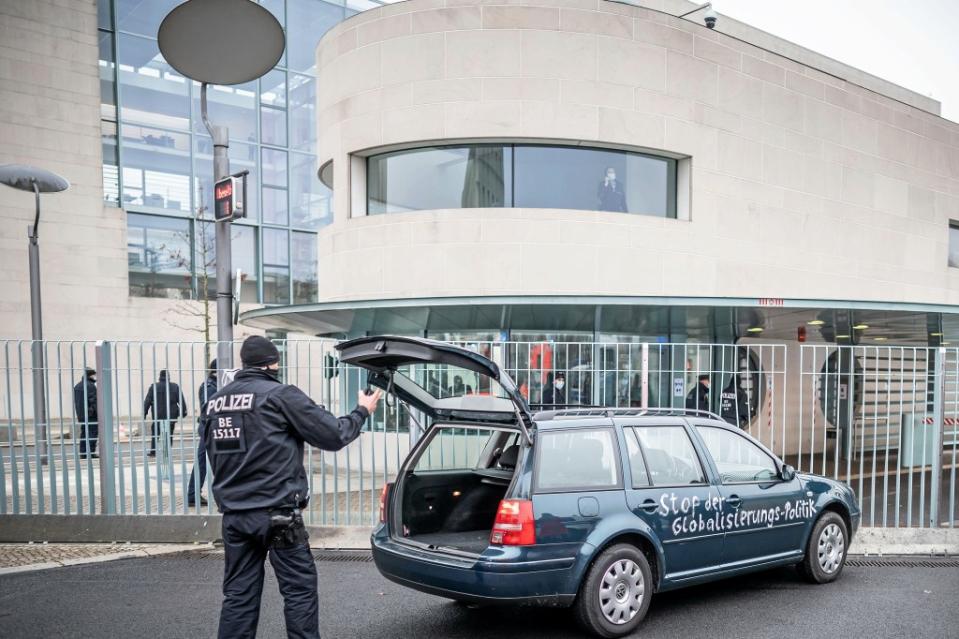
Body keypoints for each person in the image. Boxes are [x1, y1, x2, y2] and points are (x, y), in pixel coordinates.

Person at [204, 335, 382, 639]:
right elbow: (334, 435)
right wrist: (362, 411)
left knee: (238, 597)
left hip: (234, 516)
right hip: (278, 515)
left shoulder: (215, 402)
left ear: (244, 364)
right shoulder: (280, 395)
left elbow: (211, 452)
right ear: (273, 363)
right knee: (299, 591)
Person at [187, 359, 217, 507]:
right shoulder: (209, 386)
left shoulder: (213, 385)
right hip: (209, 428)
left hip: (211, 428)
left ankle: (193, 495)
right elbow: (208, 408)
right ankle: (192, 495)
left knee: (207, 462)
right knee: (203, 462)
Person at [144, 369, 188, 457]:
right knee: (168, 434)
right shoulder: (175, 387)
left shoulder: (154, 387)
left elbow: (147, 401)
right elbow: (181, 401)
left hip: (157, 415)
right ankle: (166, 452)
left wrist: (144, 413)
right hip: (171, 416)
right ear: (168, 377)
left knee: (155, 434)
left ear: (160, 377)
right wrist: (182, 412)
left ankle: (153, 452)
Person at [73, 367, 98, 459]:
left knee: (84, 433)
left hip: (81, 415)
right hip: (91, 415)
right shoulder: (90, 386)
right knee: (92, 433)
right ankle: (90, 452)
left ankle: (83, 452)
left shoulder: (78, 386)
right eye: (94, 375)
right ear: (90, 375)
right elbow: (94, 401)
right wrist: (94, 412)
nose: (95, 376)